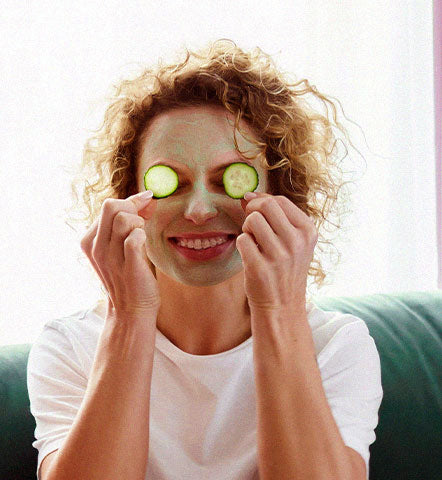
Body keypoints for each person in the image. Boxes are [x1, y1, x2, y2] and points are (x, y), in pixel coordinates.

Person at [27, 40, 383, 479]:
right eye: (168, 183)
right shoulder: (71, 347)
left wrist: (280, 309)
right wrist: (130, 313)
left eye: (228, 180)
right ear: (128, 201)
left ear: (280, 197)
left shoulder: (337, 344)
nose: (198, 209)